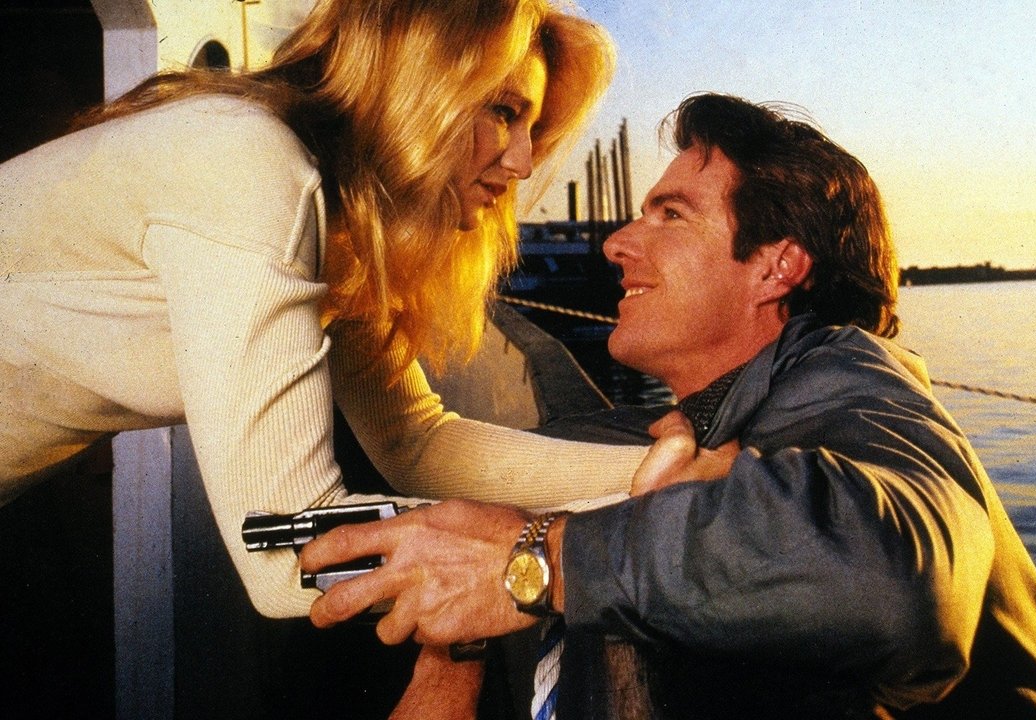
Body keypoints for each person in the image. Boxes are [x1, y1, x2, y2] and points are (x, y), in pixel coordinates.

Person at [301, 93, 1036, 719]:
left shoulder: (846, 373)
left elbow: (904, 583)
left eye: (671, 215)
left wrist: (538, 565)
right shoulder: (704, 415)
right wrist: (454, 653)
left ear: (776, 267)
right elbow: (494, 492)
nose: (617, 243)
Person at [0, 0, 650, 621]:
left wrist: (666, 478)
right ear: (418, 82)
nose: (524, 162)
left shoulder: (346, 223)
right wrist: (563, 554)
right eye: (504, 112)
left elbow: (417, 444)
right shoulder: (248, 163)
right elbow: (287, 554)